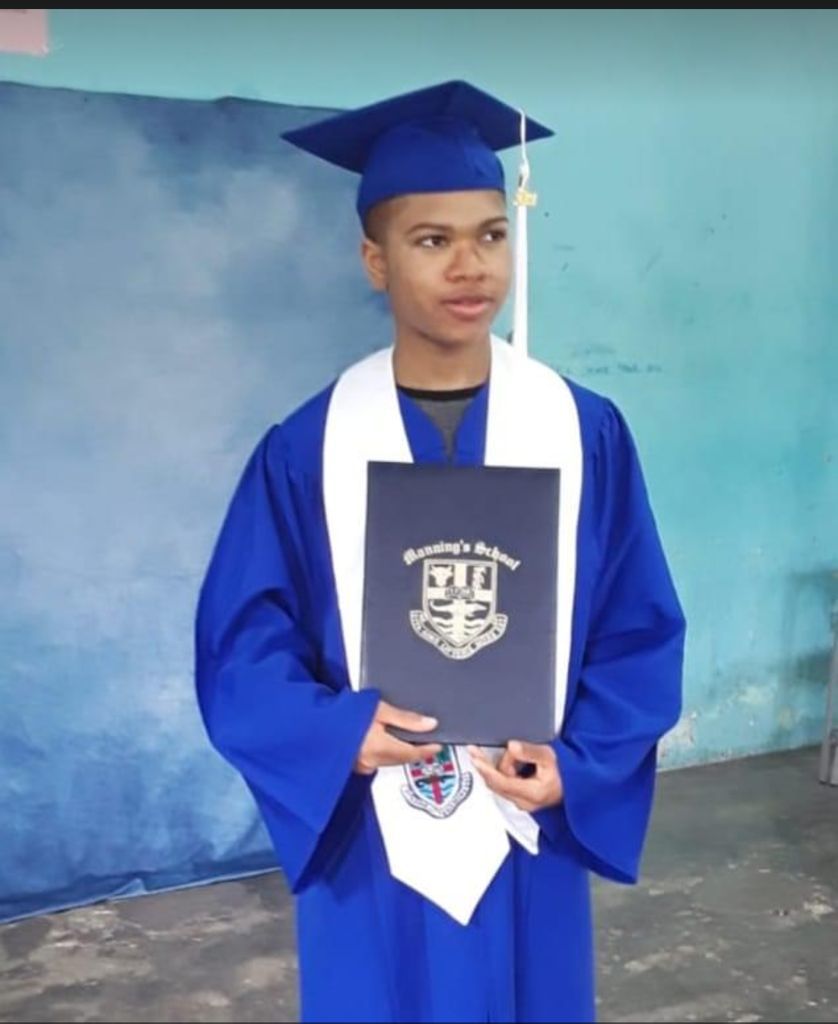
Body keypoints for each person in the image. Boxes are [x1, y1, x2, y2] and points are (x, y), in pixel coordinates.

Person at [195, 79, 685, 1023]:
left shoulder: (584, 431)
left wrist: (580, 764)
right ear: (375, 261)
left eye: (491, 234)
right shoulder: (307, 448)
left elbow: (639, 624)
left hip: (525, 820)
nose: (471, 266)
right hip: (374, 837)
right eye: (432, 241)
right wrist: (336, 735)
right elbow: (242, 645)